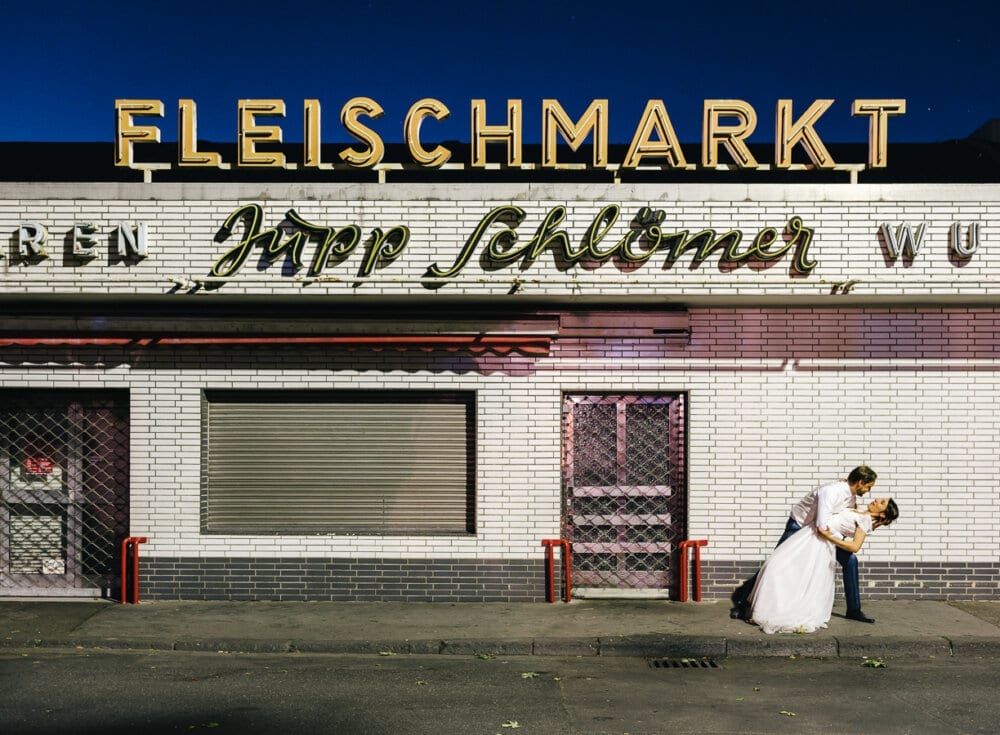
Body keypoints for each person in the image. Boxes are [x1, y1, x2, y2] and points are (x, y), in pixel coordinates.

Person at [730, 465, 879, 623]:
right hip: (800, 527)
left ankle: (854, 610)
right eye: (869, 487)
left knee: (850, 561)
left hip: (820, 533)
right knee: (775, 564)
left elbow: (841, 518)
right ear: (861, 482)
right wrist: (842, 541)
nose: (868, 491)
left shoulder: (851, 496)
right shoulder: (831, 491)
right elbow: (822, 524)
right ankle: (742, 602)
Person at [748, 497, 899, 634]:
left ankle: (853, 610)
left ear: (883, 515)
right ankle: (770, 606)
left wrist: (829, 536)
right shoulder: (859, 511)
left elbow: (854, 547)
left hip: (821, 541)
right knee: (781, 566)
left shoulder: (865, 521)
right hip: (810, 536)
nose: (877, 499)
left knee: (791, 569)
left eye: (882, 503)